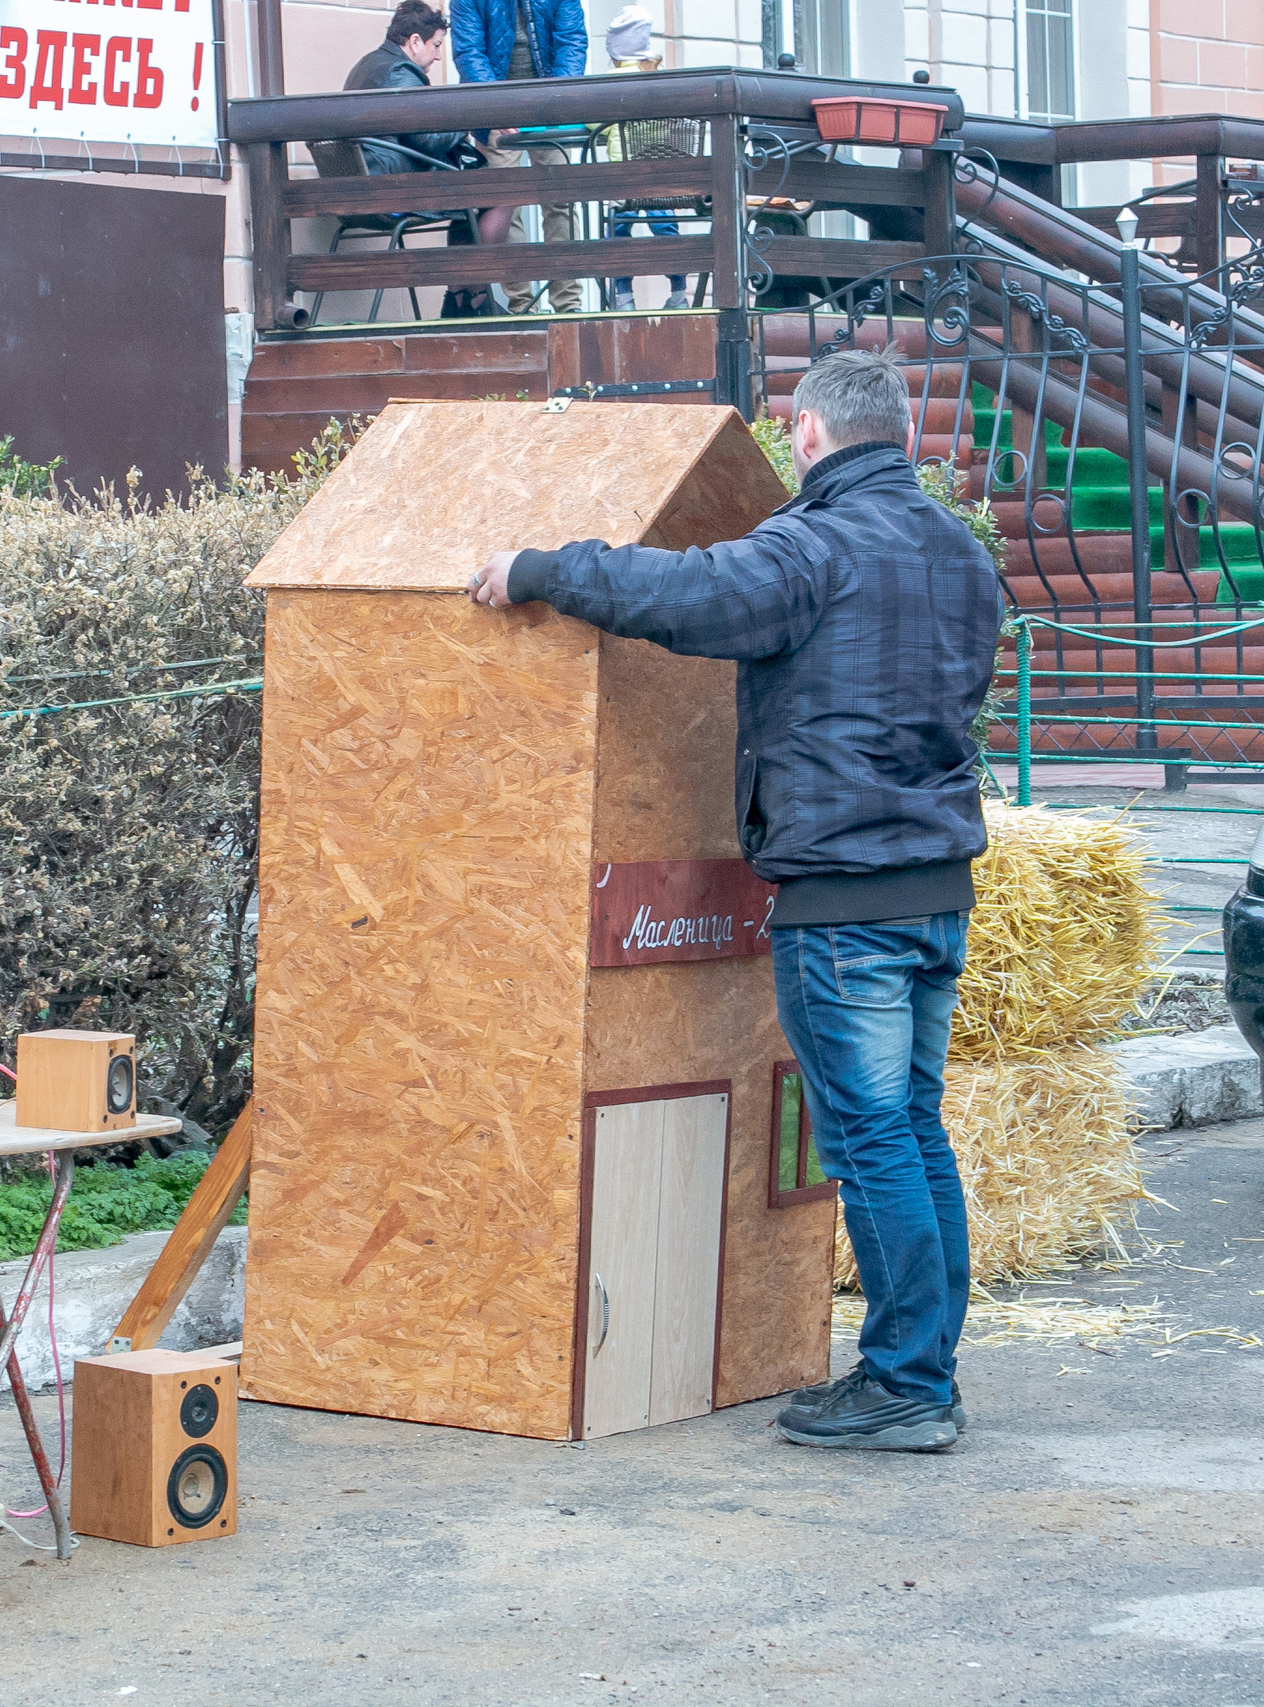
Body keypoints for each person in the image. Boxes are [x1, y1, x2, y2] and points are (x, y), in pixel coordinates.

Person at [467, 350, 1004, 1452]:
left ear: (806, 435)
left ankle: (905, 1382)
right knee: (909, 1129)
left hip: (841, 901)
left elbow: (685, 597)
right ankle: (926, 1369)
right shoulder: (959, 553)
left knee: (870, 1142)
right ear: (895, 434)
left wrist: (534, 566)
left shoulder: (813, 545)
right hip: (933, 892)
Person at [343, 1, 511, 320]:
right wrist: (472, 119)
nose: (437, 55)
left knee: (471, 203)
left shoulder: (368, 65)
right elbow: (427, 141)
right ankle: (471, 300)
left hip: (370, 186)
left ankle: (462, 300)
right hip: (393, 191)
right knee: (506, 193)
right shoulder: (400, 71)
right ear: (415, 41)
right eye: (435, 45)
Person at [450, 0, 587, 314]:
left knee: (561, 202)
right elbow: (469, 52)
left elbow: (572, 41)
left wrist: (553, 103)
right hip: (497, 109)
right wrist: (496, 107)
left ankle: (569, 305)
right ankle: (522, 306)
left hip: (549, 106)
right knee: (506, 204)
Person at [602, 7, 690, 312]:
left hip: (623, 183)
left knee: (618, 231)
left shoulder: (609, 83)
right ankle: (679, 292)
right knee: (666, 228)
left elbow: (592, 123)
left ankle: (623, 295)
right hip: (659, 180)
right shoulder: (657, 78)